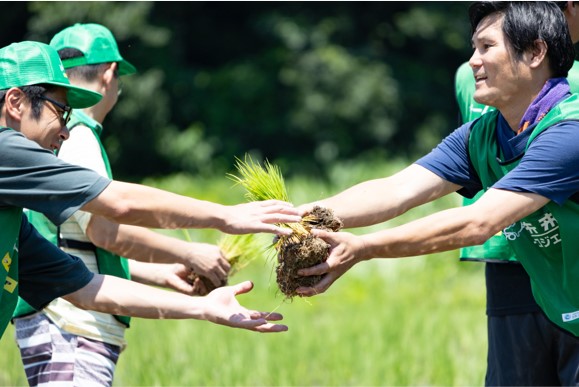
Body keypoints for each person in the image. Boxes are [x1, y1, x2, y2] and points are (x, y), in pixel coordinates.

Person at [296, 2, 579, 384]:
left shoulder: (569, 131)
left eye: (486, 47)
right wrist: (298, 216)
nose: (472, 62)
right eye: (473, 47)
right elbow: (397, 189)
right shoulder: (484, 136)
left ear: (535, 52)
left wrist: (363, 248)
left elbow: (478, 221)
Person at [0, 40, 300, 347]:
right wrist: (226, 216)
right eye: (62, 112)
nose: (65, 131)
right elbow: (118, 203)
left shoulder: (14, 225)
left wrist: (203, 308)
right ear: (15, 102)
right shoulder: (3, 149)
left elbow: (87, 289)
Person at [9, 24, 232, 386]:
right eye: (61, 112)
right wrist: (201, 243)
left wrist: (168, 280)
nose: (63, 129)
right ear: (111, 73)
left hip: (65, 315)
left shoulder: (49, 149)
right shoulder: (74, 138)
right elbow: (107, 223)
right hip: (71, 327)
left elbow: (74, 252)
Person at [450, 2, 579, 385]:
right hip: (526, 245)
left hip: (513, 240)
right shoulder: (482, 73)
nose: (477, 59)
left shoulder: (470, 73)